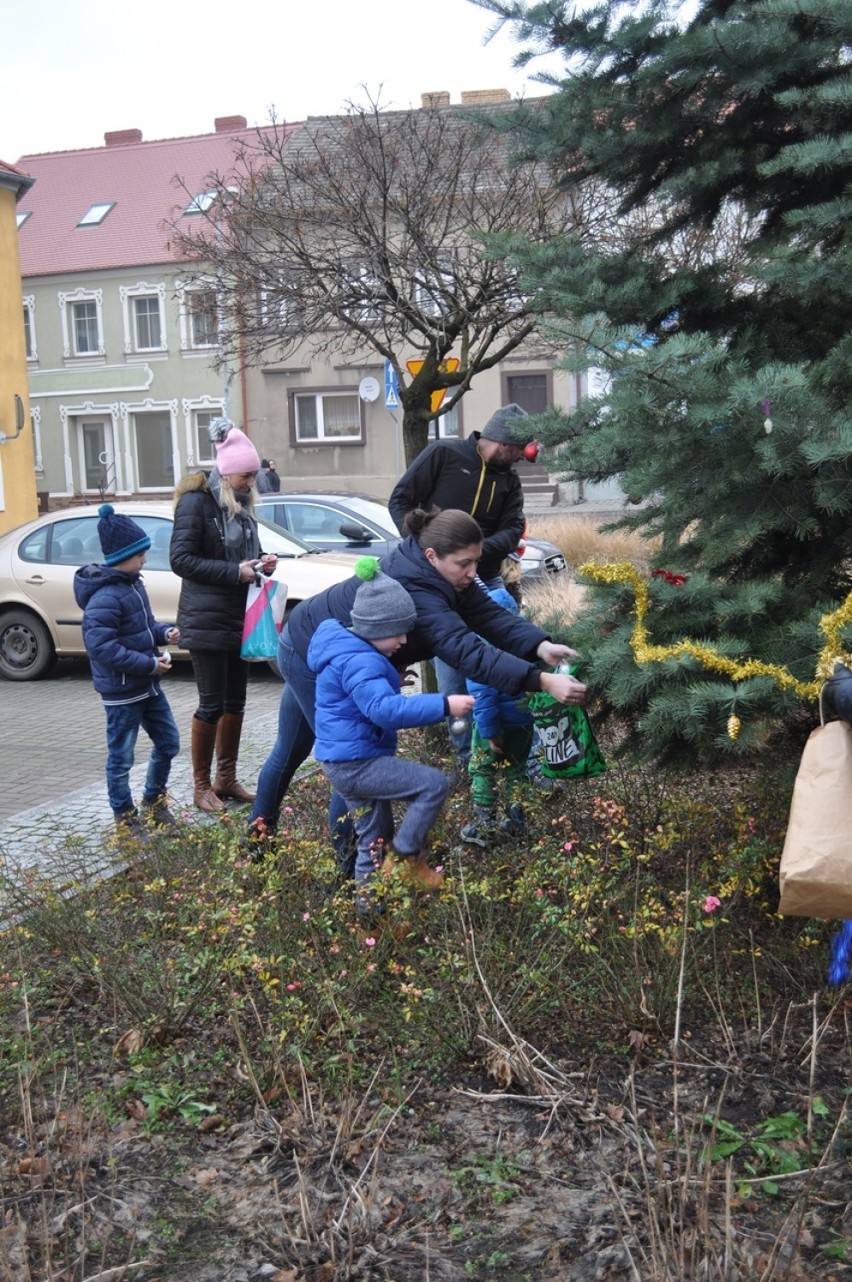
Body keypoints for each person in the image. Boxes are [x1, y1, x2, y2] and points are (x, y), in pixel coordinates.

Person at [246, 506, 586, 849]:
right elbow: (467, 650)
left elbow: (487, 615)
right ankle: (348, 865)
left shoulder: (440, 572)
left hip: (319, 641)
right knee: (350, 757)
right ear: (431, 556)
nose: (472, 572)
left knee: (297, 748)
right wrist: (541, 681)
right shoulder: (416, 585)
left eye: (475, 562)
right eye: (464, 564)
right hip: (306, 652)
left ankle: (261, 843)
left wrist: (539, 646)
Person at [309, 557, 474, 910]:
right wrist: (445, 704)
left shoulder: (352, 651)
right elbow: (384, 711)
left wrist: (388, 678)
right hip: (356, 763)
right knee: (433, 784)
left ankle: (371, 918)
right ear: (373, 627)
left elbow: (362, 693)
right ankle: (405, 860)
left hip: (344, 761)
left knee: (373, 840)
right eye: (397, 632)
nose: (403, 640)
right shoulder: (361, 660)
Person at [387, 404, 536, 762]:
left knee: (497, 654)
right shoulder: (444, 455)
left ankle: (503, 741)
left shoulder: (509, 480)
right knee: (453, 662)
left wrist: (474, 555)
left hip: (486, 581)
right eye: (519, 450)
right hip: (437, 580)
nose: (520, 458)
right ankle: (463, 754)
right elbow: (400, 500)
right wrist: (425, 550)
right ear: (503, 442)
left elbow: (514, 529)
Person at [170, 417, 277, 813]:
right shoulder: (196, 503)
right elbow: (180, 559)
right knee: (211, 704)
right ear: (229, 472)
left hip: (239, 618)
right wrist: (235, 571)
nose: (253, 482)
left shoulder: (242, 504)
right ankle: (201, 787)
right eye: (247, 476)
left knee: (236, 702)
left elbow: (243, 554)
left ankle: (226, 779)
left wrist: (262, 562)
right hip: (205, 620)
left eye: (254, 476)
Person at [73, 504, 181, 838]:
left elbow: (145, 625)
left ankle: (154, 800)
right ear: (123, 556)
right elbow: (103, 649)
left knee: (169, 743)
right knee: (121, 758)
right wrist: (150, 664)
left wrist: (164, 633)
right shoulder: (104, 597)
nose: (145, 561)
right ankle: (125, 816)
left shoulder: (135, 585)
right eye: (141, 556)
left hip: (147, 686)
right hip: (122, 692)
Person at [460, 585, 535, 849]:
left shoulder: (480, 651)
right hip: (523, 721)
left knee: (482, 769)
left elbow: (483, 694)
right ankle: (517, 824)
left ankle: (484, 827)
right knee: (516, 770)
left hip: (494, 724)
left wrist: (491, 731)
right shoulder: (525, 645)